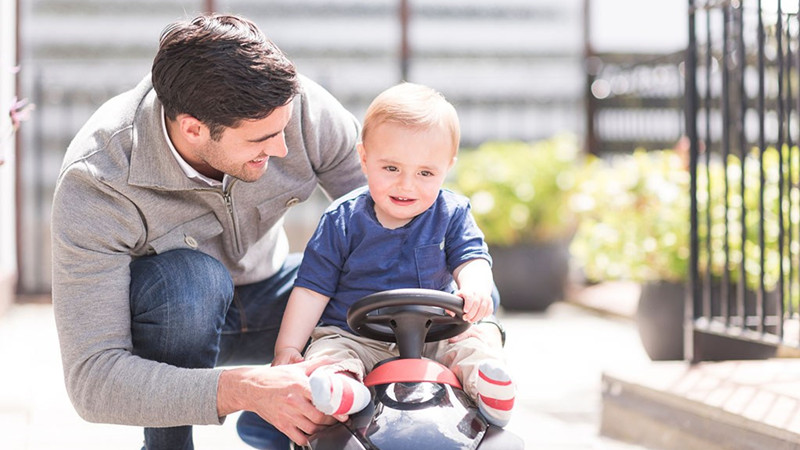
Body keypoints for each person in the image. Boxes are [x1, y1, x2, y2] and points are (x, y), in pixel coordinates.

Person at [50, 13, 366, 450]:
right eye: (262, 139)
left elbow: (396, 220)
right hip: (170, 321)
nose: (283, 149)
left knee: (403, 299)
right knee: (190, 284)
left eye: (283, 129)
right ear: (194, 129)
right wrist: (244, 388)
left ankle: (308, 433)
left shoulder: (297, 108)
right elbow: (93, 380)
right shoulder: (99, 179)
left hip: (276, 301)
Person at [273, 82, 515, 427]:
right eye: (391, 169)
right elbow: (312, 290)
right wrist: (287, 349)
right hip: (355, 335)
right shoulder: (342, 220)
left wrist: (474, 286)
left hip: (436, 335)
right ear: (364, 158)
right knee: (327, 354)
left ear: (446, 168)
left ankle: (490, 388)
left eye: (425, 173)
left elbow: (471, 256)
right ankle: (343, 390)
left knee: (477, 338)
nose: (406, 185)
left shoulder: (452, 213)